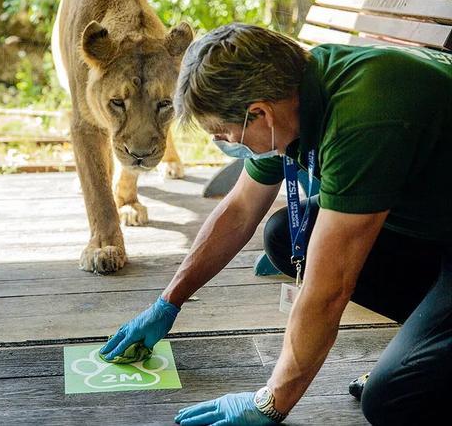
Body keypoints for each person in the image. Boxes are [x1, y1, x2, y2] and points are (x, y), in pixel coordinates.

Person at [99, 23, 452, 425]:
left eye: (223, 133)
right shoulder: (290, 92)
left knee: (394, 399)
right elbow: (239, 210)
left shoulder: (365, 116)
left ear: (259, 114)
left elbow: (330, 287)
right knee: (283, 236)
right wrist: (169, 301)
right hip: (436, 222)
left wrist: (271, 401)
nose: (227, 142)